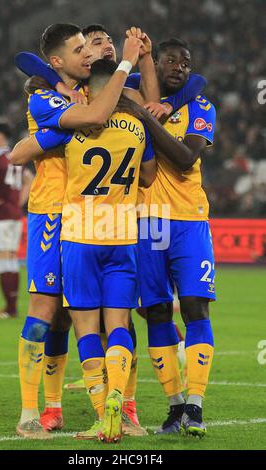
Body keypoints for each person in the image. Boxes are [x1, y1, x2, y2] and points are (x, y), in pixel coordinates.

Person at [11, 58, 156, 443]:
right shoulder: (134, 127)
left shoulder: (76, 127)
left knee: (84, 325)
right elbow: (149, 174)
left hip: (78, 231)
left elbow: (17, 155)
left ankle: (106, 410)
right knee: (110, 323)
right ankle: (106, 404)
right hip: (113, 233)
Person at [135, 38, 216, 437]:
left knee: (196, 309)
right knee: (156, 312)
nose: (180, 67)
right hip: (148, 220)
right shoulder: (136, 92)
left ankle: (196, 407)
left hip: (188, 220)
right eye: (170, 60)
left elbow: (187, 157)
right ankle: (174, 406)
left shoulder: (201, 106)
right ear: (155, 64)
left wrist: (151, 115)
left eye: (186, 62)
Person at [0, 122, 32, 319]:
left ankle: (9, 309)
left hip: (0, 214)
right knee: (11, 258)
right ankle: (12, 306)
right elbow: (29, 179)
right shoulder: (15, 155)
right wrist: (19, 201)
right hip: (15, 213)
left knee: (3, 259)